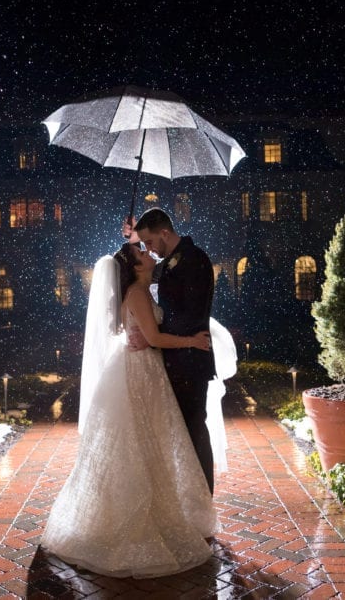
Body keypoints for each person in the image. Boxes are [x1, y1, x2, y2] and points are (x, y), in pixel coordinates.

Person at [40, 243, 218, 578]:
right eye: (143, 252)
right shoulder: (137, 293)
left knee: (144, 446)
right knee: (141, 445)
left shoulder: (140, 288)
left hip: (142, 370)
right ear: (136, 267)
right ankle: (136, 520)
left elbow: (147, 333)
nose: (150, 253)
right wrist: (192, 341)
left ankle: (148, 510)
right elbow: (153, 337)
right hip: (140, 373)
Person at [132, 208, 217, 493]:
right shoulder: (171, 261)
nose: (149, 249)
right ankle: (189, 497)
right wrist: (132, 238)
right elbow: (140, 271)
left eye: (150, 242)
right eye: (144, 246)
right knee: (183, 433)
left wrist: (152, 336)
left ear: (165, 233)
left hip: (191, 359)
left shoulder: (194, 260)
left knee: (195, 430)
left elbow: (187, 316)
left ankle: (204, 497)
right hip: (177, 359)